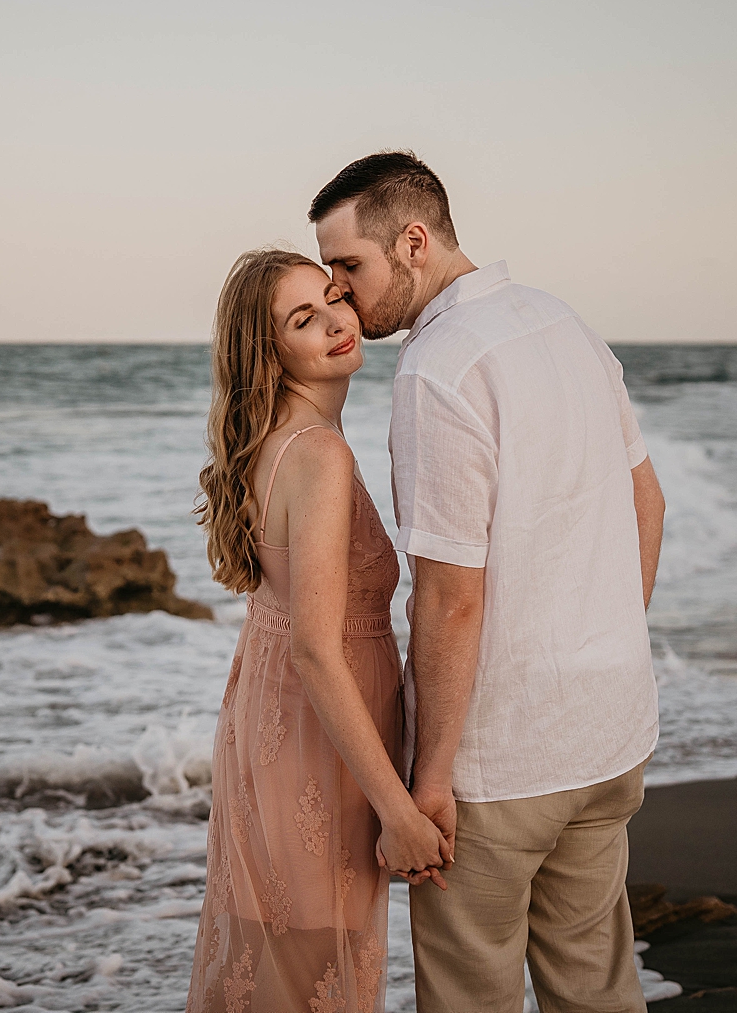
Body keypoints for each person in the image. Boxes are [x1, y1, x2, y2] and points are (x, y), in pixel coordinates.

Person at [311, 151, 667, 1013]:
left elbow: (449, 594)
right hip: (611, 732)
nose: (339, 291)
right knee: (599, 990)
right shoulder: (562, 322)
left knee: (472, 1000)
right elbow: (646, 502)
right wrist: (601, 644)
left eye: (349, 265)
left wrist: (429, 779)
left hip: (502, 762)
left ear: (415, 241)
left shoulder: (440, 369)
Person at [185, 247, 450, 1013]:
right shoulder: (320, 455)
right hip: (318, 739)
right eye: (304, 318)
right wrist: (398, 811)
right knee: (310, 975)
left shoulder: (275, 441)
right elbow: (316, 647)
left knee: (278, 961)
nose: (337, 320)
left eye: (334, 296)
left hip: (274, 721)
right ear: (269, 351)